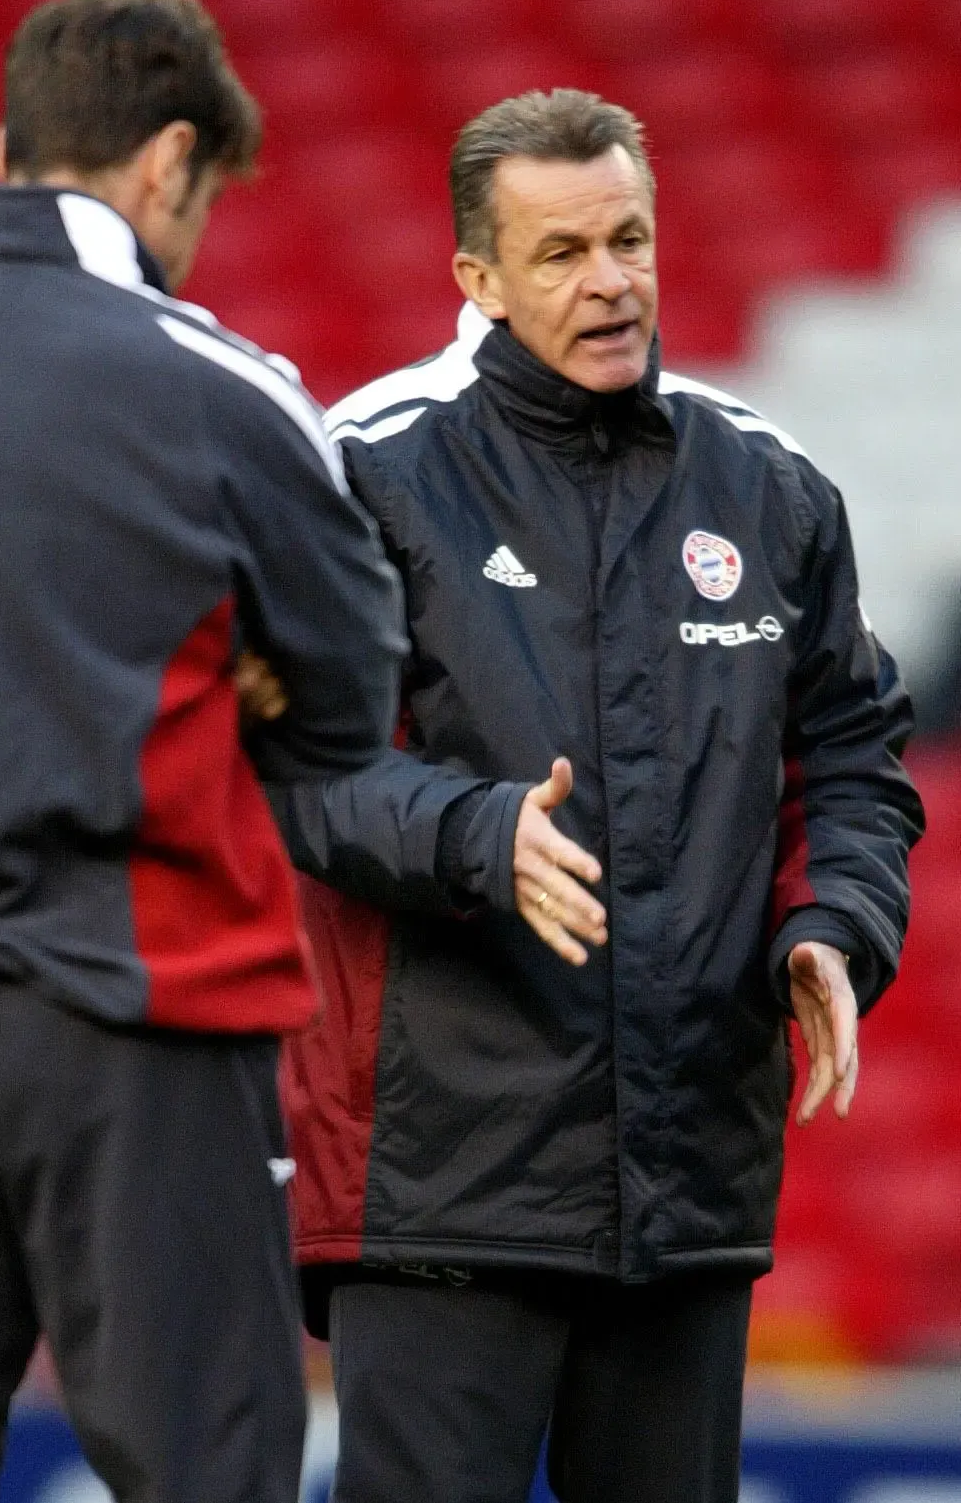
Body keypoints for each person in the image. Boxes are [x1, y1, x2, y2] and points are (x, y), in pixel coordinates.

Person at [0, 0, 405, 1503]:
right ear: (171, 163)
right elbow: (349, 695)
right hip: (127, 1002)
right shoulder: (209, 381)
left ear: (4, 144)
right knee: (205, 1468)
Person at [269, 89, 924, 1503]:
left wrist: (835, 922)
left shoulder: (768, 484)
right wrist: (473, 832)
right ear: (477, 281)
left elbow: (849, 753)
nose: (611, 279)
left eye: (628, 239)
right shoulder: (366, 465)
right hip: (436, 1183)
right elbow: (297, 769)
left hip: (684, 1180)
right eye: (561, 253)